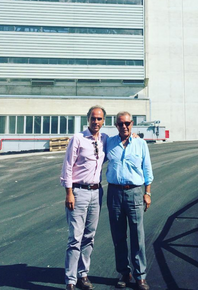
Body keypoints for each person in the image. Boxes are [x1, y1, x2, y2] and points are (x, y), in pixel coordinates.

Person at [60, 106, 108, 290]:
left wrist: (134, 136)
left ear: (104, 121)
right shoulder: (78, 139)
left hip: (96, 192)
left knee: (89, 236)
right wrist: (69, 193)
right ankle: (70, 281)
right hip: (78, 192)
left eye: (99, 119)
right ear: (88, 119)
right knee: (75, 238)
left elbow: (122, 140)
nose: (96, 122)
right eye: (93, 118)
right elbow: (68, 167)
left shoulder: (105, 140)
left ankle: (83, 274)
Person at [106, 111, 153, 290]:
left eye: (127, 123)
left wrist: (147, 193)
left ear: (132, 124)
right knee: (118, 236)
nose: (124, 126)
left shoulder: (140, 144)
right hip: (115, 193)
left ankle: (140, 276)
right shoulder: (109, 143)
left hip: (134, 192)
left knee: (137, 235)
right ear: (116, 125)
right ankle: (124, 273)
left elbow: (147, 170)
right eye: (120, 124)